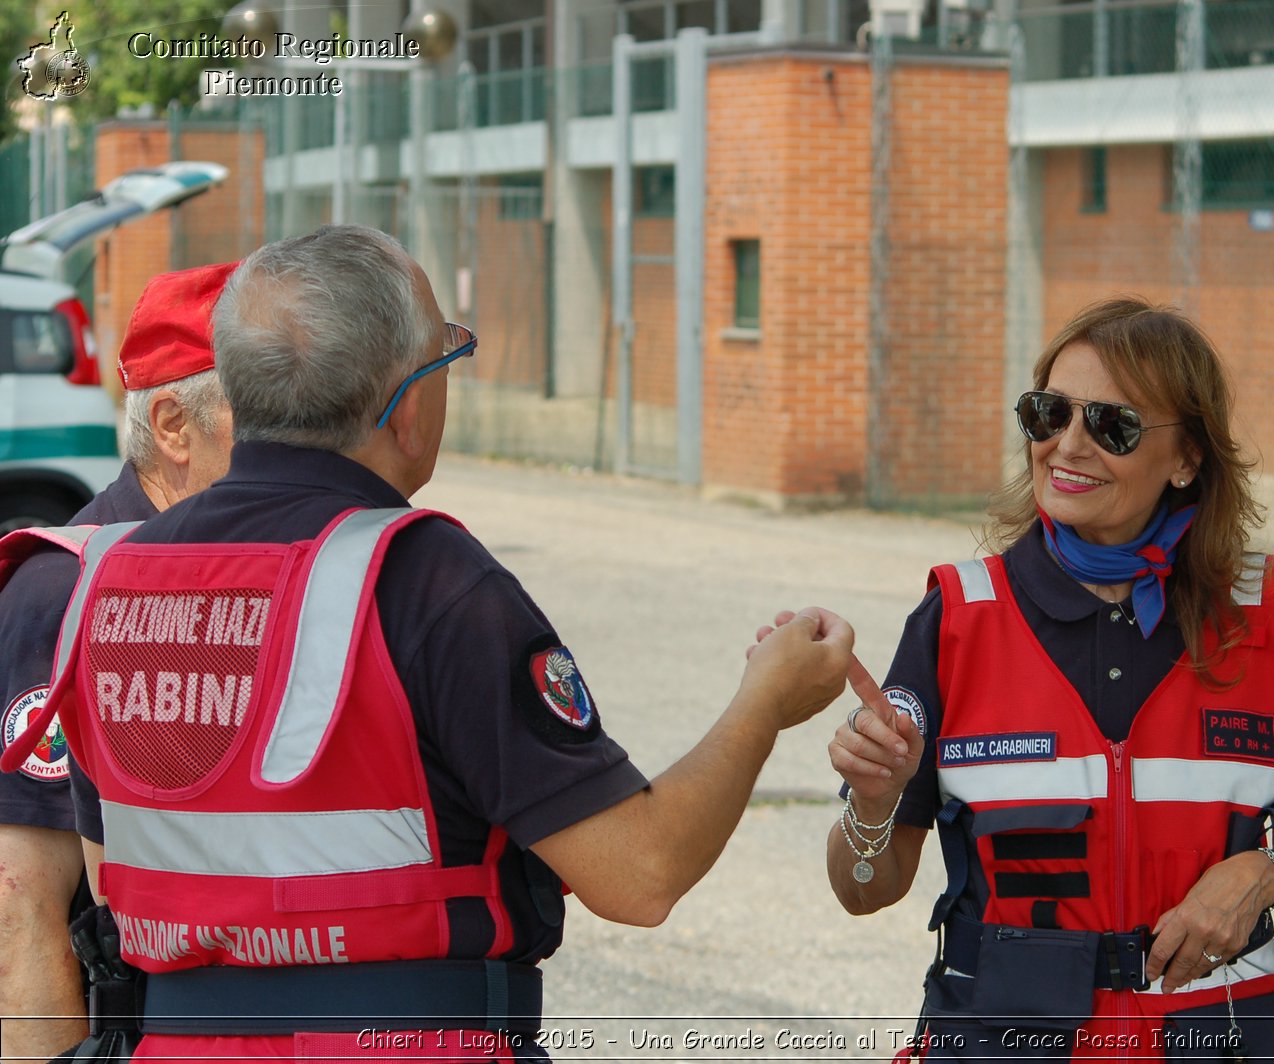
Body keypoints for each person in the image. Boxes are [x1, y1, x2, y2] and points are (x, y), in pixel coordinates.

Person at [2, 224, 854, 1061]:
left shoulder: (103, 580)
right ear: (406, 406)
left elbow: (116, 881)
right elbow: (641, 873)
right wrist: (764, 705)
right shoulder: (430, 581)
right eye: (446, 360)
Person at [824, 297, 1274, 1061]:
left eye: (1113, 425)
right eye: (1048, 414)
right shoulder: (958, 617)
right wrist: (873, 804)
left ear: (1186, 459)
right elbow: (862, 888)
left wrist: (1267, 872)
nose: (1066, 446)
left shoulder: (1263, 613)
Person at [0, 261, 237, 1062]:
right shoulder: (64, 594)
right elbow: (21, 907)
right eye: (268, 409)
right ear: (173, 426)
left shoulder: (266, 571)